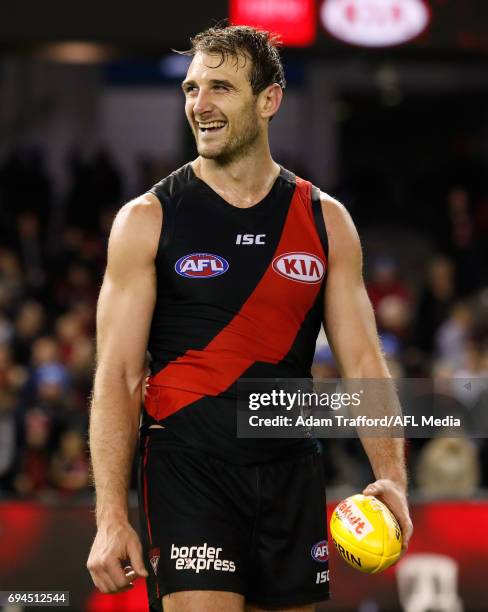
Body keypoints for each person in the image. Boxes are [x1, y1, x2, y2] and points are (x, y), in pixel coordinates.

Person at [87, 25, 413, 612]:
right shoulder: (147, 220)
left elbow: (363, 361)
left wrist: (392, 476)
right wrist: (111, 516)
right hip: (189, 470)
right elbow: (117, 376)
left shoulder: (325, 221)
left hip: (291, 471)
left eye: (220, 88)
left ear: (269, 100)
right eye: (190, 89)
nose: (199, 105)